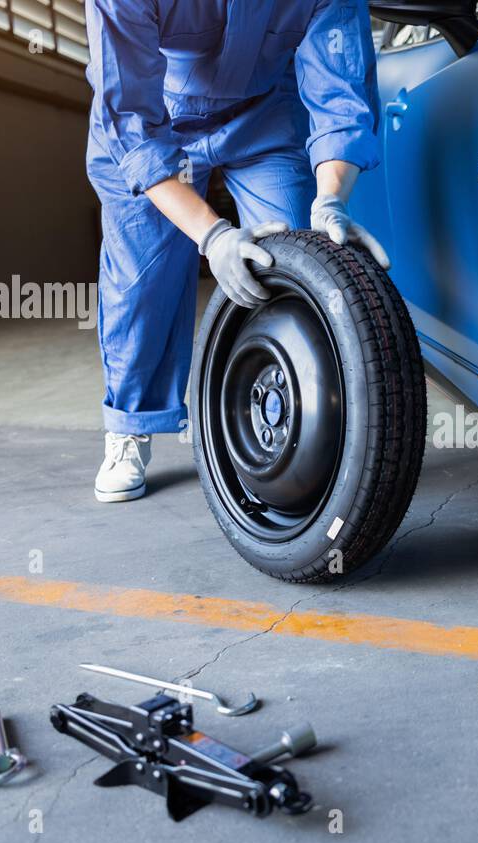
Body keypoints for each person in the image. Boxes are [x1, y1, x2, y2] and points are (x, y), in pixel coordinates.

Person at [84, 0, 388, 502]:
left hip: (263, 112)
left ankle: (294, 421)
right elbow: (130, 120)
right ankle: (130, 425)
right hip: (156, 116)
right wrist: (211, 235)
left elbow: (340, 92)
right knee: (142, 279)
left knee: (294, 260)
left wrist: (331, 198)